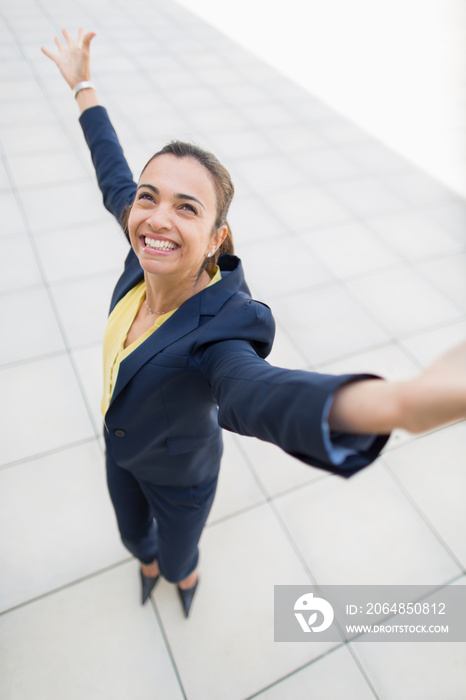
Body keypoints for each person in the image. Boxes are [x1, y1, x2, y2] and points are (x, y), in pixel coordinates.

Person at [41, 29, 466, 618]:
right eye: (148, 198)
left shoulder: (222, 330)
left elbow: (259, 392)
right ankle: (144, 562)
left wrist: (396, 404)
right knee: (133, 531)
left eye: (187, 207)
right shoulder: (142, 245)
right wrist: (83, 85)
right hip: (120, 448)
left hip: (181, 476)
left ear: (217, 238)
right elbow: (111, 168)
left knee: (178, 549)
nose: (157, 217)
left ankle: (180, 575)